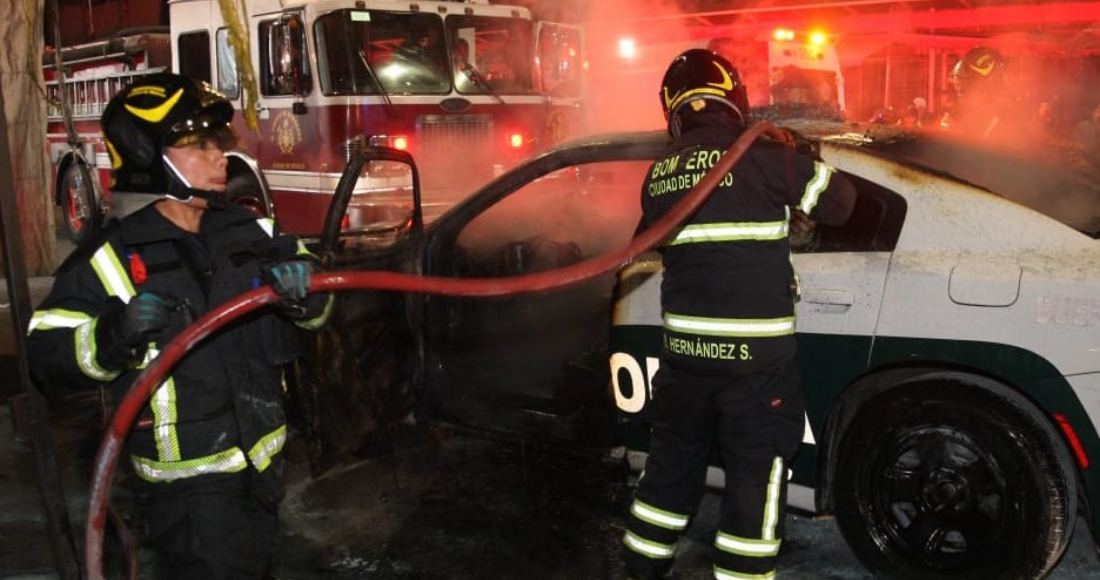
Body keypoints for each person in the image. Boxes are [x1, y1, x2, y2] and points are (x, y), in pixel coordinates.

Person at [26, 73, 332, 579]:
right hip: (187, 488)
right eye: (199, 146)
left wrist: (307, 294)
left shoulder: (252, 230)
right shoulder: (114, 255)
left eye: (220, 144)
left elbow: (323, 306)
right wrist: (113, 334)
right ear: (148, 156)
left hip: (264, 466)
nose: (221, 158)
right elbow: (45, 352)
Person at [624, 49, 855, 580]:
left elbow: (641, 246)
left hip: (684, 365)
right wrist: (797, 161)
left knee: (669, 469)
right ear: (736, 100)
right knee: (754, 480)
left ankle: (639, 565)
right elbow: (840, 204)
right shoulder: (766, 159)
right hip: (756, 370)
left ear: (674, 111)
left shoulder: (659, 175)